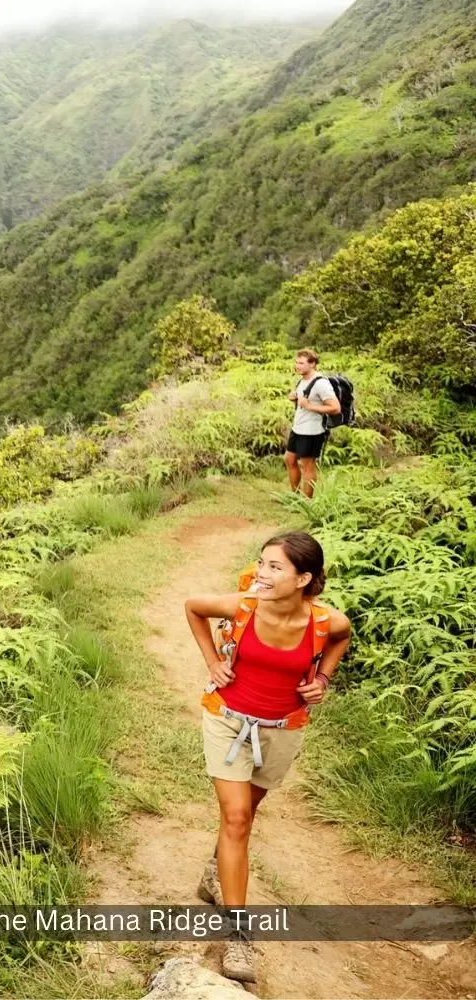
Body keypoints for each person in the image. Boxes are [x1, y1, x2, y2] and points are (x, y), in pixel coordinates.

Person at [184, 532, 351, 984]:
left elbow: (343, 633)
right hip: (228, 720)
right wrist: (211, 661)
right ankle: (238, 936)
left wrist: (324, 678)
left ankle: (217, 869)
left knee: (246, 815)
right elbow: (194, 607)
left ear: (304, 579)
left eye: (276, 567)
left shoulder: (322, 622)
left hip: (282, 730)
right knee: (236, 817)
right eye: (262, 563)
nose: (262, 573)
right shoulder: (243, 606)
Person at [285, 350, 341, 499]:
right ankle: (295, 497)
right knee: (289, 459)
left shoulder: (321, 383)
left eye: (301, 363)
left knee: (307, 466)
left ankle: (306, 502)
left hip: (312, 431)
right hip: (298, 428)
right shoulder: (303, 380)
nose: (297, 366)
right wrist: (296, 399)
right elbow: (305, 401)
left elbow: (335, 408)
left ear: (313, 364)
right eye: (296, 362)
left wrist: (309, 406)